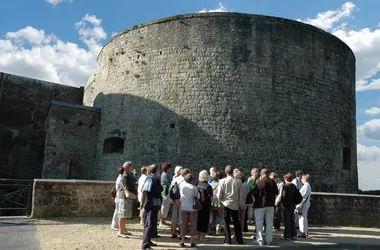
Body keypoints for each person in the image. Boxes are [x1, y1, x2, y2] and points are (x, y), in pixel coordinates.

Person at [217, 165, 243, 245]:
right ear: (232, 172)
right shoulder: (238, 181)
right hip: (235, 203)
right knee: (236, 222)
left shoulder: (222, 181)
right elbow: (240, 194)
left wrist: (222, 200)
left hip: (226, 204)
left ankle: (228, 240)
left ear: (226, 172)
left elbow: (218, 195)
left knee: (226, 222)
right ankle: (239, 240)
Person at [253, 168, 278, 246]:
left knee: (259, 223)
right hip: (270, 205)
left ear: (262, 174)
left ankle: (260, 240)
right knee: (269, 223)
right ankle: (269, 240)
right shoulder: (272, 182)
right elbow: (276, 192)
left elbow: (254, 193)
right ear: (267, 174)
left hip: (260, 205)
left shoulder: (259, 182)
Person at [140, 164, 163, 250]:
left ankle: (148, 241)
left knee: (152, 224)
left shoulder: (154, 179)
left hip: (154, 204)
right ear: (156, 170)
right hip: (151, 204)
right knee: (149, 224)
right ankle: (145, 245)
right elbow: (144, 191)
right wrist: (142, 203)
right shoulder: (150, 179)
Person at [117, 161, 137, 238]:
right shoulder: (125, 176)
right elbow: (127, 187)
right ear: (128, 168)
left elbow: (133, 181)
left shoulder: (128, 175)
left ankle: (123, 229)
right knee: (122, 215)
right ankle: (120, 231)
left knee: (124, 215)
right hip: (124, 197)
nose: (132, 168)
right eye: (131, 167)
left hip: (127, 197)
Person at [179, 173, 199, 248]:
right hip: (192, 208)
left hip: (184, 207)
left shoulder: (182, 187)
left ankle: (182, 241)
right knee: (193, 224)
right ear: (191, 180)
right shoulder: (194, 188)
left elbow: (181, 196)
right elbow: (198, 197)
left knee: (183, 224)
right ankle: (192, 241)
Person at [281, 173, 298, 240]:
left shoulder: (286, 186)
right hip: (292, 205)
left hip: (287, 206)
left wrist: (282, 204)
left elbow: (284, 196)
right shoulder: (293, 186)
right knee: (292, 220)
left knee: (287, 221)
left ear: (286, 179)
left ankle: (287, 236)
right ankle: (293, 235)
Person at [197, 170, 213, 241]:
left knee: (199, 219)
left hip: (198, 204)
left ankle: (198, 235)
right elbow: (211, 198)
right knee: (205, 220)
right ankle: (203, 236)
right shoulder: (208, 186)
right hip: (205, 205)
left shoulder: (197, 184)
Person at [169, 166, 183, 239]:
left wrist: (174, 200)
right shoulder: (185, 180)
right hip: (181, 201)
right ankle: (181, 234)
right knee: (181, 218)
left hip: (175, 200)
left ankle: (173, 233)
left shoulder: (174, 180)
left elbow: (170, 190)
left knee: (174, 217)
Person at [159, 162, 173, 227]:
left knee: (165, 207)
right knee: (164, 207)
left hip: (165, 192)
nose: (170, 170)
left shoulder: (165, 174)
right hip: (165, 192)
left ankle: (163, 220)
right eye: (170, 168)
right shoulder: (165, 175)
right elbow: (169, 183)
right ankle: (161, 222)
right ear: (167, 168)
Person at [111, 166, 124, 231]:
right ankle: (115, 225)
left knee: (118, 210)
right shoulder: (121, 178)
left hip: (118, 195)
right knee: (118, 211)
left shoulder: (119, 177)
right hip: (119, 196)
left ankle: (116, 225)